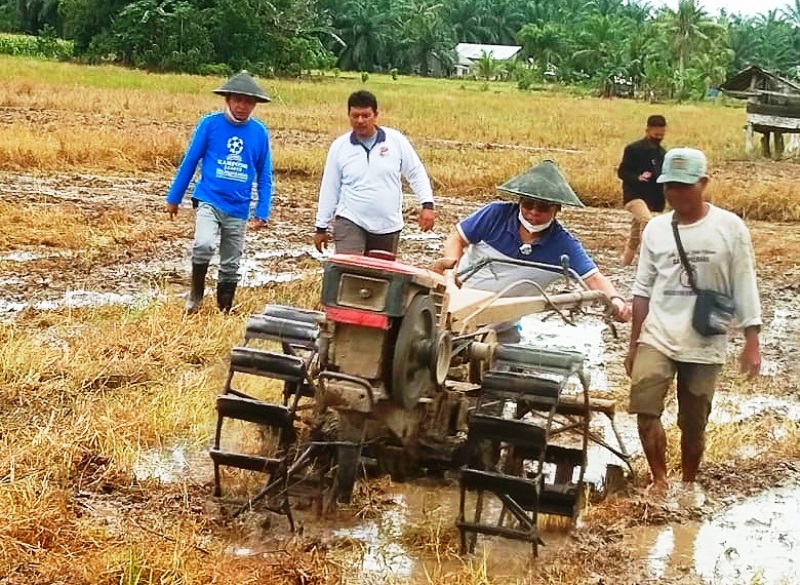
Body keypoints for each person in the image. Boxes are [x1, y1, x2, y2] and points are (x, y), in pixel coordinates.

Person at [625, 147, 762, 494]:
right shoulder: (655, 229)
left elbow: (744, 283)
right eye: (670, 186)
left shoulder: (730, 228)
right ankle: (659, 481)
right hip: (657, 334)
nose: (676, 194)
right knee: (645, 408)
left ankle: (687, 483)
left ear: (703, 183)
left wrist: (751, 341)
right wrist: (633, 345)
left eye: (685, 186)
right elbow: (642, 290)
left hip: (705, 337)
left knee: (694, 422)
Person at [433, 160, 631, 339]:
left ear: (557, 209)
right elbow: (456, 238)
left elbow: (594, 278)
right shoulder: (495, 215)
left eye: (543, 207)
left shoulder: (563, 245)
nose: (534, 212)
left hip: (499, 329)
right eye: (528, 204)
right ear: (519, 201)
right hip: (452, 313)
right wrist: (453, 268)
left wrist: (616, 301)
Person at [165, 70, 273, 314]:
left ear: (255, 104)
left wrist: (262, 209)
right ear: (228, 99)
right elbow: (190, 161)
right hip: (209, 199)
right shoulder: (210, 124)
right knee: (203, 245)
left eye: (248, 101)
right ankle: (195, 296)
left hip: (239, 207)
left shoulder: (259, 133)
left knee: (231, 263)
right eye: (238, 100)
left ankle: (224, 309)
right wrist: (174, 198)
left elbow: (264, 175)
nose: (243, 106)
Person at [313, 90, 435, 257]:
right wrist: (321, 227)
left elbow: (415, 172)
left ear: (376, 115)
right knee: (351, 271)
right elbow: (330, 187)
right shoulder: (339, 147)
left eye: (365, 115)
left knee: (380, 278)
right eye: (355, 116)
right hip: (351, 219)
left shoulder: (395, 141)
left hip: (387, 225)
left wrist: (427, 205)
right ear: (348, 115)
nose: (360, 121)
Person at [617, 115, 667, 266]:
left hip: (652, 199)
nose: (658, 137)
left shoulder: (662, 154)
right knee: (648, 222)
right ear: (647, 130)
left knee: (635, 234)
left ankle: (625, 264)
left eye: (661, 135)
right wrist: (638, 177)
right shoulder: (634, 149)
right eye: (655, 134)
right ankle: (648, 261)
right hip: (634, 196)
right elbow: (622, 172)